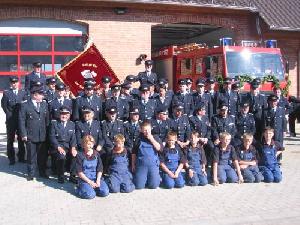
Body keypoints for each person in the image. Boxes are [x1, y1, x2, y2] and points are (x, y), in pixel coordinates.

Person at [19, 85, 50, 180]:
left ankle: (42, 172)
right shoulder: (25, 105)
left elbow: (47, 120)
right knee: (31, 156)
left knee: (42, 155)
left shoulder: (44, 104)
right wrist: (23, 134)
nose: (43, 96)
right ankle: (31, 173)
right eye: (41, 94)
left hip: (43, 135)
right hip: (30, 135)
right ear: (34, 95)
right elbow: (21, 120)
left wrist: (48, 133)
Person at [1, 76, 27, 165]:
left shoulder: (23, 93)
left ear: (18, 83)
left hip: (21, 120)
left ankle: (21, 157)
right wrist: (9, 115)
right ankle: (11, 158)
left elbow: (25, 106)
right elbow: (4, 106)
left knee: (21, 139)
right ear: (10, 84)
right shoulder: (6, 93)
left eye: (16, 82)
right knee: (10, 139)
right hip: (11, 120)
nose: (14, 84)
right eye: (13, 82)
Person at [49, 106, 77, 183]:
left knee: (75, 155)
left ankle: (72, 176)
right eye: (62, 114)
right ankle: (60, 176)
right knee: (61, 156)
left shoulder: (72, 124)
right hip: (57, 146)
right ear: (59, 114)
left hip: (68, 146)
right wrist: (58, 147)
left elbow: (73, 138)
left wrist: (73, 147)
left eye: (66, 114)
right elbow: (52, 137)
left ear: (69, 115)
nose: (64, 116)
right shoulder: (54, 123)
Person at [132, 121, 162, 189]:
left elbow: (159, 149)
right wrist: (133, 164)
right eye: (145, 130)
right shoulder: (139, 139)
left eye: (148, 130)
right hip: (141, 166)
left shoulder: (156, 137)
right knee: (139, 186)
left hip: (153, 165)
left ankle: (155, 177)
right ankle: (141, 177)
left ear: (151, 128)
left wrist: (151, 139)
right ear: (141, 130)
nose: (147, 132)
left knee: (154, 186)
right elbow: (134, 153)